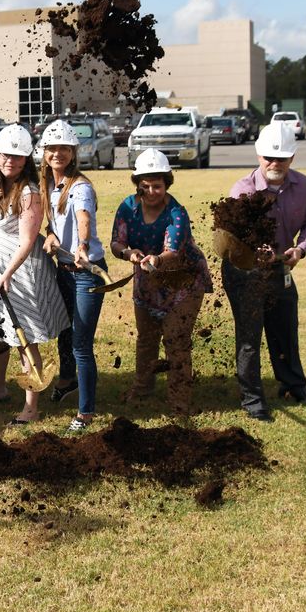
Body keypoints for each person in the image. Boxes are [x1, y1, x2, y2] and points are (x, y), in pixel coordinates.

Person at [221, 122, 306, 421]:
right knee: (250, 337)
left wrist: (300, 249)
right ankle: (252, 400)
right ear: (258, 155)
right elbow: (231, 237)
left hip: (280, 266)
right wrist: (254, 250)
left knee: (285, 327)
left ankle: (293, 387)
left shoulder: (303, 186)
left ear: (293, 158)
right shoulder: (244, 190)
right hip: (244, 271)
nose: (274, 163)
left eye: (281, 158)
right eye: (269, 157)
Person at [0, 126, 70, 423]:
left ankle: (31, 407)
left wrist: (7, 274)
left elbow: (28, 241)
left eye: (17, 157)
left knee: (24, 337)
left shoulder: (29, 192)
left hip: (20, 271)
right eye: (6, 155)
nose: (10, 162)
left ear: (26, 159)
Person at [110, 149, 213, 415]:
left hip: (183, 280)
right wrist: (128, 252)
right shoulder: (127, 207)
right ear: (137, 185)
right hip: (147, 278)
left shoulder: (176, 212)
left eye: (157, 185)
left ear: (167, 183)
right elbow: (116, 242)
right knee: (147, 338)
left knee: (176, 338)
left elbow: (173, 251)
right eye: (145, 186)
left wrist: (156, 259)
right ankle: (143, 387)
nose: (152, 191)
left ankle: (180, 399)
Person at [39, 120, 108, 433]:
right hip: (63, 271)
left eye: (63, 148)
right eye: (52, 148)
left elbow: (83, 218)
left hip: (85, 274)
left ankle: (86, 413)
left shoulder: (79, 186)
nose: (57, 153)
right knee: (65, 333)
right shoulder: (50, 185)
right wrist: (52, 235)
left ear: (73, 152)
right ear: (44, 153)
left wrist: (81, 245)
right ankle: (68, 383)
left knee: (81, 343)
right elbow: (59, 222)